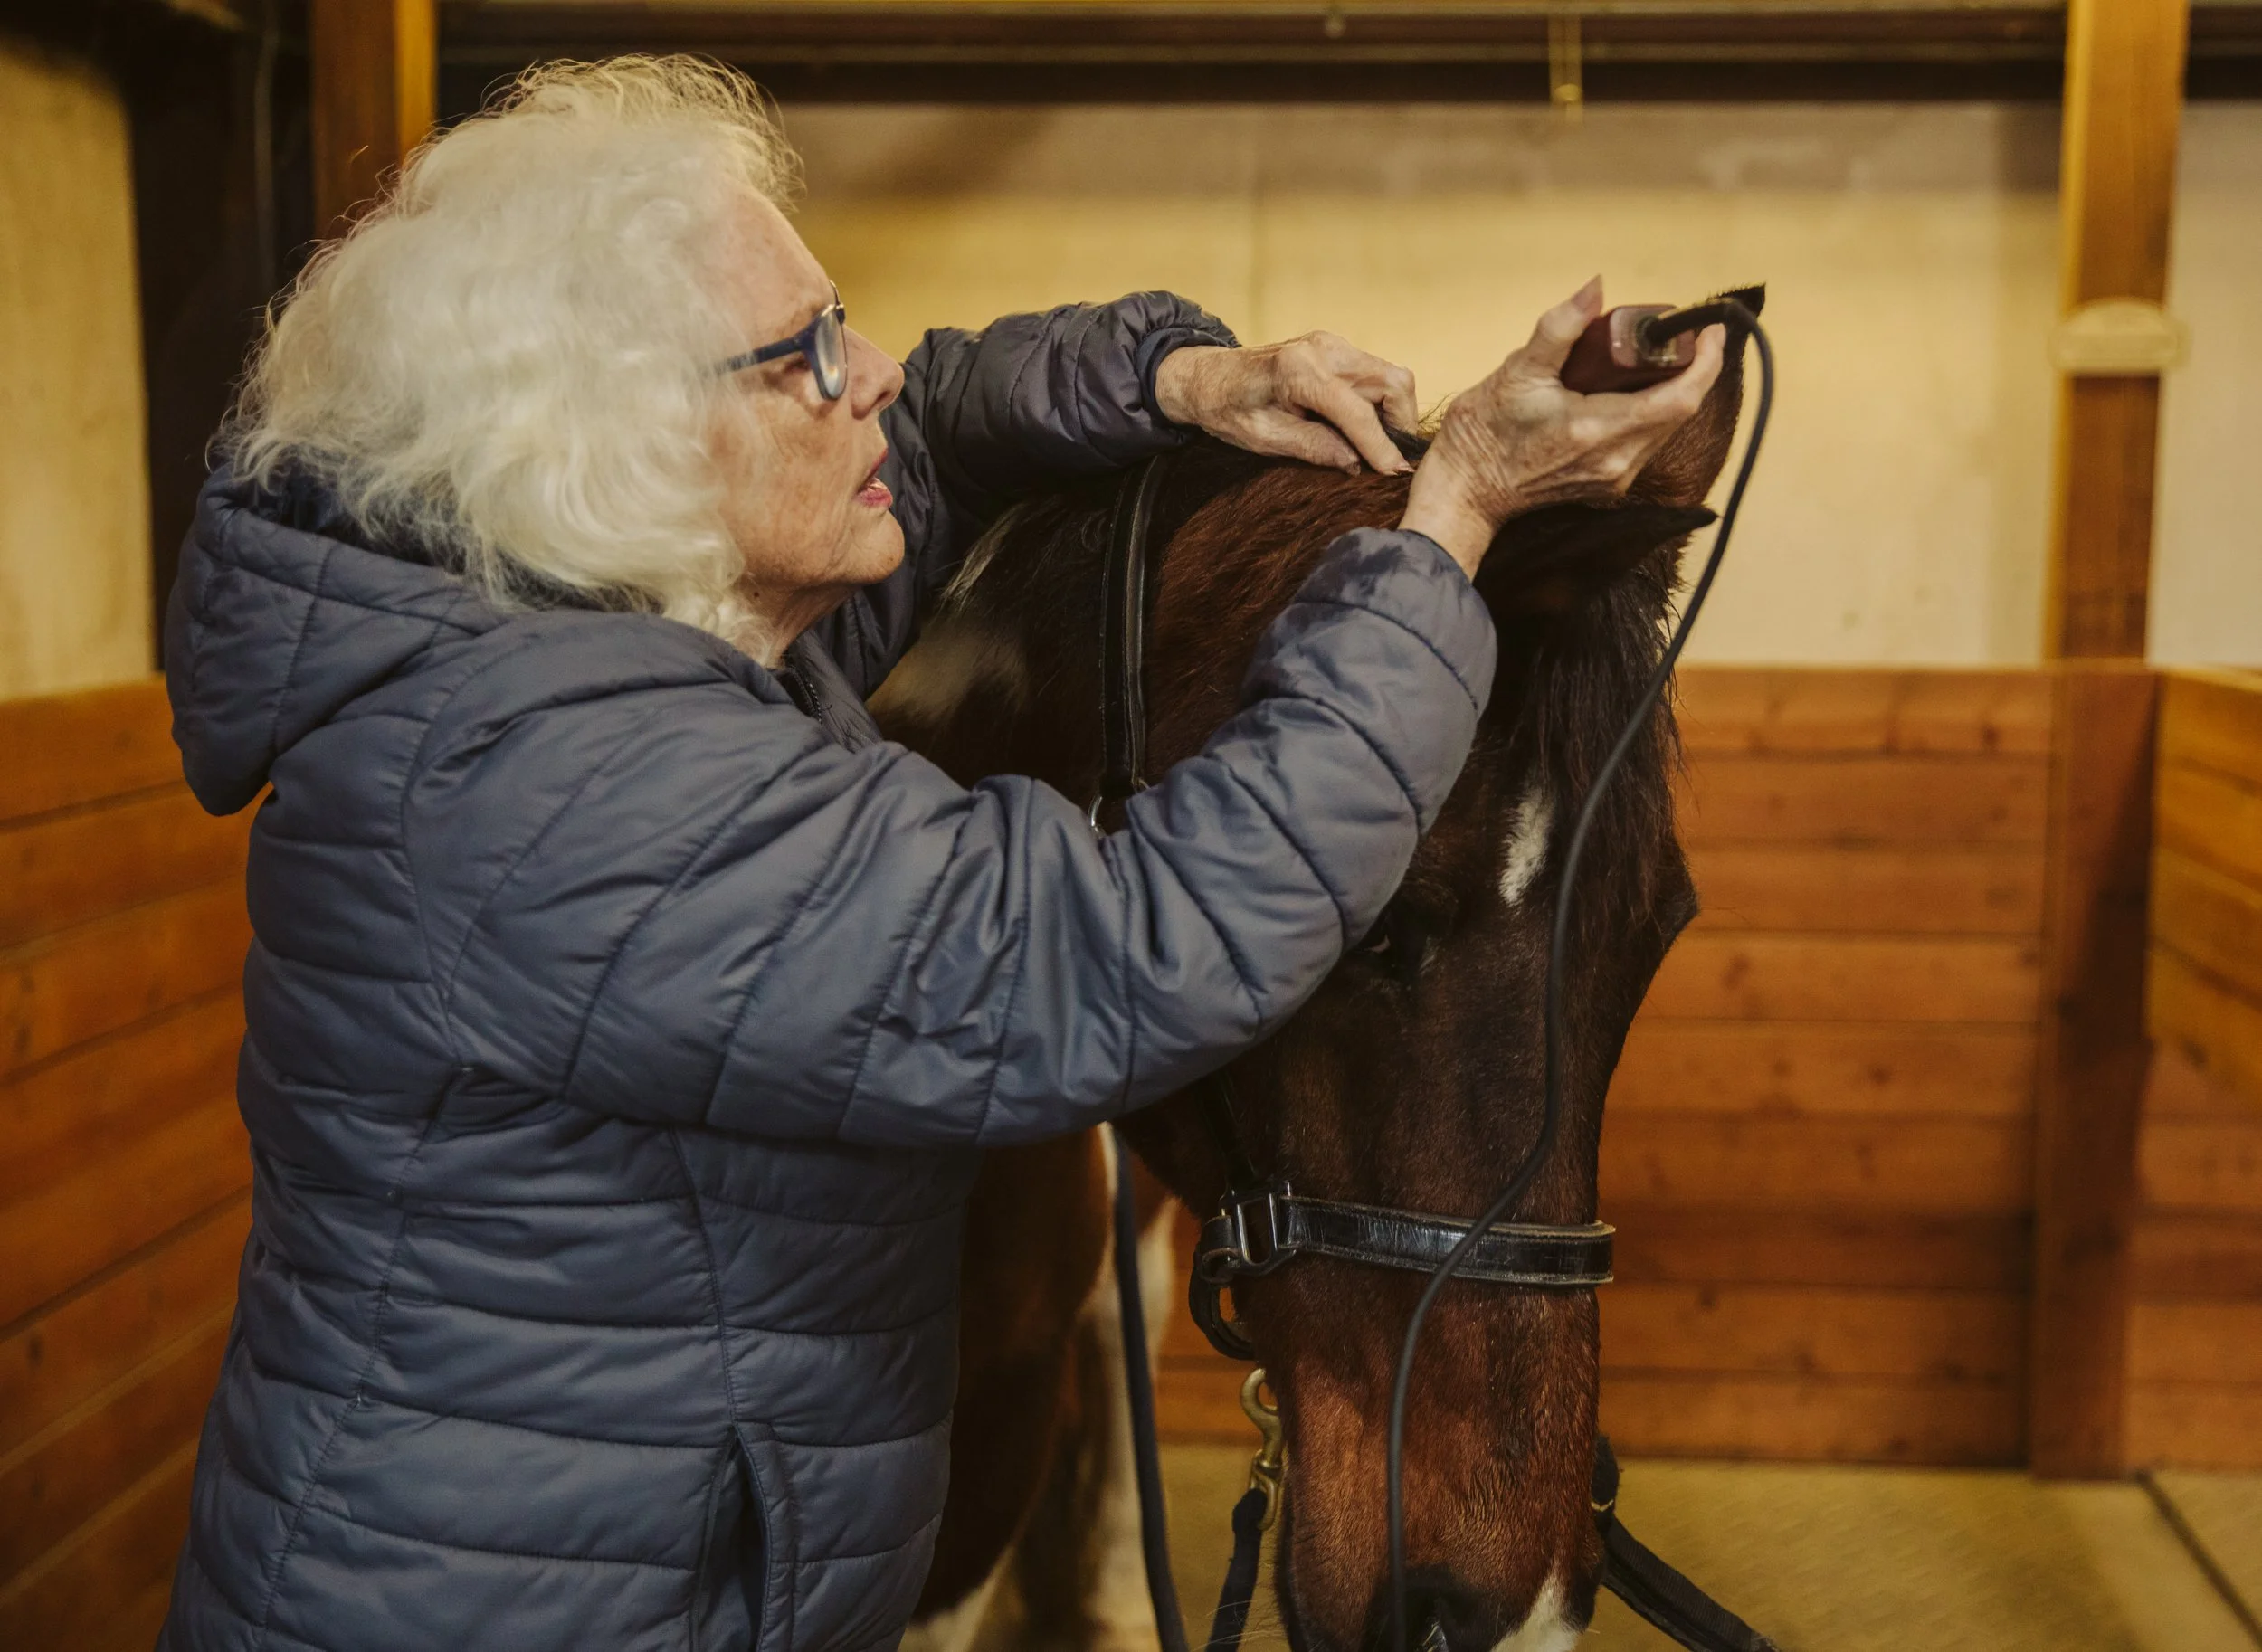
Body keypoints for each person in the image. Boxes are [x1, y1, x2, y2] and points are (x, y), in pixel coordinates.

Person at [156, 55, 1722, 1652]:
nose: (876, 370)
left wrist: (1180, 385)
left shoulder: (619, 620)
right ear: (624, 445)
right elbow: (1122, 956)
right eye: (804, 355)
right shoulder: (552, 786)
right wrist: (1442, 526)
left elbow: (948, 448)